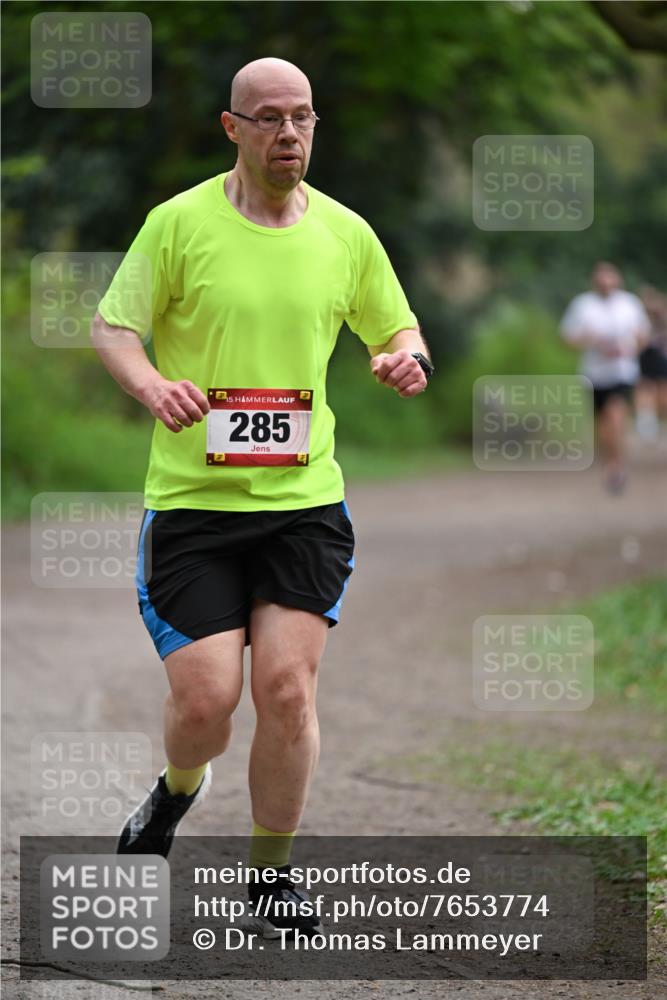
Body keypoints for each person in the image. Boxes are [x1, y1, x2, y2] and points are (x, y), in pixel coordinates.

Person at [91, 57, 433, 938]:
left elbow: (397, 324)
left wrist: (407, 358)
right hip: (195, 505)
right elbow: (113, 326)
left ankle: (271, 877)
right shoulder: (178, 224)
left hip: (303, 503)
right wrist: (151, 386)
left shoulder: (346, 234)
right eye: (270, 118)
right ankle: (176, 792)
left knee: (286, 692)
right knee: (205, 704)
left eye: (303, 118)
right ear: (232, 128)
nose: (289, 134)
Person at [560, 261, 650, 493]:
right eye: (601, 282)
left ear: (617, 280)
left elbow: (643, 336)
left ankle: (616, 464)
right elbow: (567, 338)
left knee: (616, 412)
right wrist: (589, 341)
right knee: (602, 421)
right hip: (594, 374)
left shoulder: (630, 303)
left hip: (623, 371)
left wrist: (628, 348)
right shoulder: (582, 305)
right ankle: (611, 460)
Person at [635, 285, 667, 440]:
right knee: (645, 388)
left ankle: (657, 420)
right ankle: (648, 420)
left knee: (661, 391)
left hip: (660, 356)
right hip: (646, 356)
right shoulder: (640, 316)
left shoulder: (661, 317)